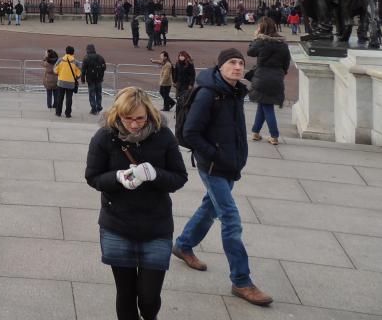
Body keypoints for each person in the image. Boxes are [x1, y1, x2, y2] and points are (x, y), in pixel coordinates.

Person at [173, 48, 273, 306]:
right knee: (230, 218)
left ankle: (184, 244)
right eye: (232, 62)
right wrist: (214, 155)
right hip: (214, 166)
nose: (238, 67)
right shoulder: (208, 94)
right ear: (220, 67)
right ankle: (242, 281)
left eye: (240, 63)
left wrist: (234, 158)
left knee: (211, 207)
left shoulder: (235, 92)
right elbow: (190, 132)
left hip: (230, 164)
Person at [85, 87, 188, 320]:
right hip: (117, 225)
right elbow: (93, 177)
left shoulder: (163, 135)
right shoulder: (105, 137)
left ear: (149, 114)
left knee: (149, 297)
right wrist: (118, 178)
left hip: (156, 225)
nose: (134, 124)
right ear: (118, 114)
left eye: (140, 118)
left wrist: (155, 174)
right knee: (126, 294)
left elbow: (179, 177)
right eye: (127, 118)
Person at [247, 18, 291, 146]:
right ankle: (255, 132)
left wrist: (256, 38)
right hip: (277, 77)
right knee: (263, 104)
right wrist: (280, 73)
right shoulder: (283, 44)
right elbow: (286, 63)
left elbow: (250, 52)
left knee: (267, 107)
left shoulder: (261, 41)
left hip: (262, 77)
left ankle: (274, 135)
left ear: (262, 28)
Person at [52, 45, 81, 118]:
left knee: (60, 98)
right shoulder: (75, 62)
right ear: (73, 52)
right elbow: (80, 71)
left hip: (61, 82)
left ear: (66, 52)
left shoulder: (60, 60)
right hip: (71, 83)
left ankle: (58, 112)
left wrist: (60, 73)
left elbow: (55, 70)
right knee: (69, 99)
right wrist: (76, 77)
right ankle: (68, 114)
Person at [81, 43, 107, 115]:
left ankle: (94, 109)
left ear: (87, 50)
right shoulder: (100, 57)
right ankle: (99, 106)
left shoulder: (86, 58)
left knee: (92, 94)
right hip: (99, 78)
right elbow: (104, 67)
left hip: (90, 79)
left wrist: (82, 79)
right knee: (99, 93)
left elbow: (83, 70)